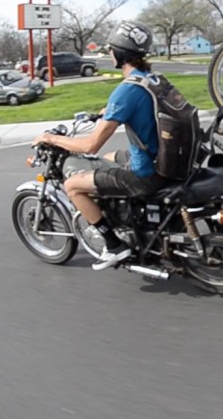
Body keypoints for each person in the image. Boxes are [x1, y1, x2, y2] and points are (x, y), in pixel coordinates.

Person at [32, 21, 164, 271]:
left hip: (146, 173)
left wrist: (51, 139)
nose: (110, 53)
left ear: (120, 53)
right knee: (111, 156)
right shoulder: (153, 80)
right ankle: (127, 218)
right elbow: (140, 107)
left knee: (72, 186)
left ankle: (114, 245)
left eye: (112, 49)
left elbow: (90, 146)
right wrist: (109, 112)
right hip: (165, 159)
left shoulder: (126, 90)